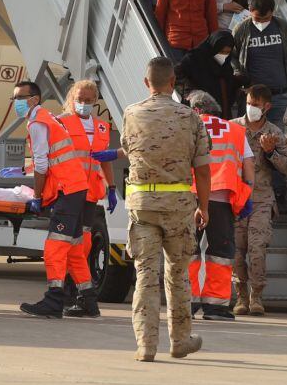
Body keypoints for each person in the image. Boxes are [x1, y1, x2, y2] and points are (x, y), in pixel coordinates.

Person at [121, 57, 210, 362]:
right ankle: (180, 340)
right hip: (178, 208)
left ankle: (146, 345)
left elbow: (129, 149)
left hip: (142, 205)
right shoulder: (190, 118)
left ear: (146, 83)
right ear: (173, 83)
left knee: (145, 274)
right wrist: (205, 207)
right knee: (177, 274)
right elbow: (202, 169)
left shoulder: (131, 114)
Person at [17, 81, 93, 319]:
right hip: (77, 187)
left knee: (55, 248)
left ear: (34, 99)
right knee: (74, 249)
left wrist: (37, 196)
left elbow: (42, 164)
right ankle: (88, 301)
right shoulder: (48, 118)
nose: (15, 103)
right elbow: (51, 159)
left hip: (67, 190)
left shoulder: (38, 122)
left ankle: (54, 300)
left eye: (19, 97)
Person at [55, 79, 120, 318]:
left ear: (95, 102)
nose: (84, 104)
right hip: (68, 191)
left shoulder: (102, 127)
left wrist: (111, 187)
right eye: (80, 100)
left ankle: (76, 293)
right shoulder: (61, 123)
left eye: (89, 101)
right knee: (64, 244)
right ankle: (63, 294)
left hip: (90, 193)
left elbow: (104, 159)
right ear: (72, 98)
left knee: (82, 245)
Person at [186, 90, 253, 321]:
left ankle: (187, 303)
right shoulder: (236, 131)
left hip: (191, 198)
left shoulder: (190, 126)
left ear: (196, 110)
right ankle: (215, 307)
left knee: (188, 251)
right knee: (221, 254)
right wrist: (247, 196)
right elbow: (249, 166)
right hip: (222, 201)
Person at [231, 84, 287, 317]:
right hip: (236, 199)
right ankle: (241, 296)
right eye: (249, 103)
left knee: (257, 250)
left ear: (267, 106)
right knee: (237, 251)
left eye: (256, 105)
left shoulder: (275, 134)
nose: (251, 108)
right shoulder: (232, 128)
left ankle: (256, 296)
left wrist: (271, 153)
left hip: (261, 200)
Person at [232, 0, 287, 127]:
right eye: (257, 18)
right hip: (254, 97)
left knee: (278, 137)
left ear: (272, 12)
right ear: (250, 11)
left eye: (266, 19)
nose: (262, 22)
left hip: (280, 95)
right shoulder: (241, 29)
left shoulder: (281, 25)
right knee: (250, 135)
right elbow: (233, 56)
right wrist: (240, 77)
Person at [176, 30, 246, 118]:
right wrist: (192, 92)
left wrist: (242, 81)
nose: (223, 55)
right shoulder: (193, 59)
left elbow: (226, 81)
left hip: (222, 113)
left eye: (227, 52)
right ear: (213, 47)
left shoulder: (225, 64)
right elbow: (178, 75)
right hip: (199, 112)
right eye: (220, 51)